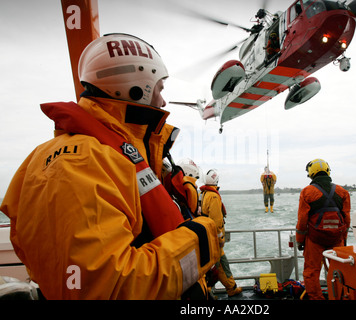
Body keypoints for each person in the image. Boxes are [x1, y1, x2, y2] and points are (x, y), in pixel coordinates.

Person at [0, 33, 220, 300]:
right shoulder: (78, 162)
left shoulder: (110, 156)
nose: (163, 102)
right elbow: (107, 287)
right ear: (136, 89)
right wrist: (200, 239)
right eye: (160, 89)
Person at [295, 159, 351, 300]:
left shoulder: (307, 192)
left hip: (315, 239)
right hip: (337, 239)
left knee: (311, 272)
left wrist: (300, 241)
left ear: (311, 174)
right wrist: (343, 238)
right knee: (339, 270)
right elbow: (347, 219)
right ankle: (340, 296)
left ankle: (316, 298)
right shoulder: (342, 192)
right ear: (328, 171)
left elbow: (302, 221)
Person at [200, 169, 242, 297]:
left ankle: (230, 287)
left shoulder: (204, 193)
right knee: (218, 266)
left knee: (220, 264)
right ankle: (209, 291)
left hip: (207, 236)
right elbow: (217, 221)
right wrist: (220, 238)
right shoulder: (213, 196)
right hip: (214, 239)